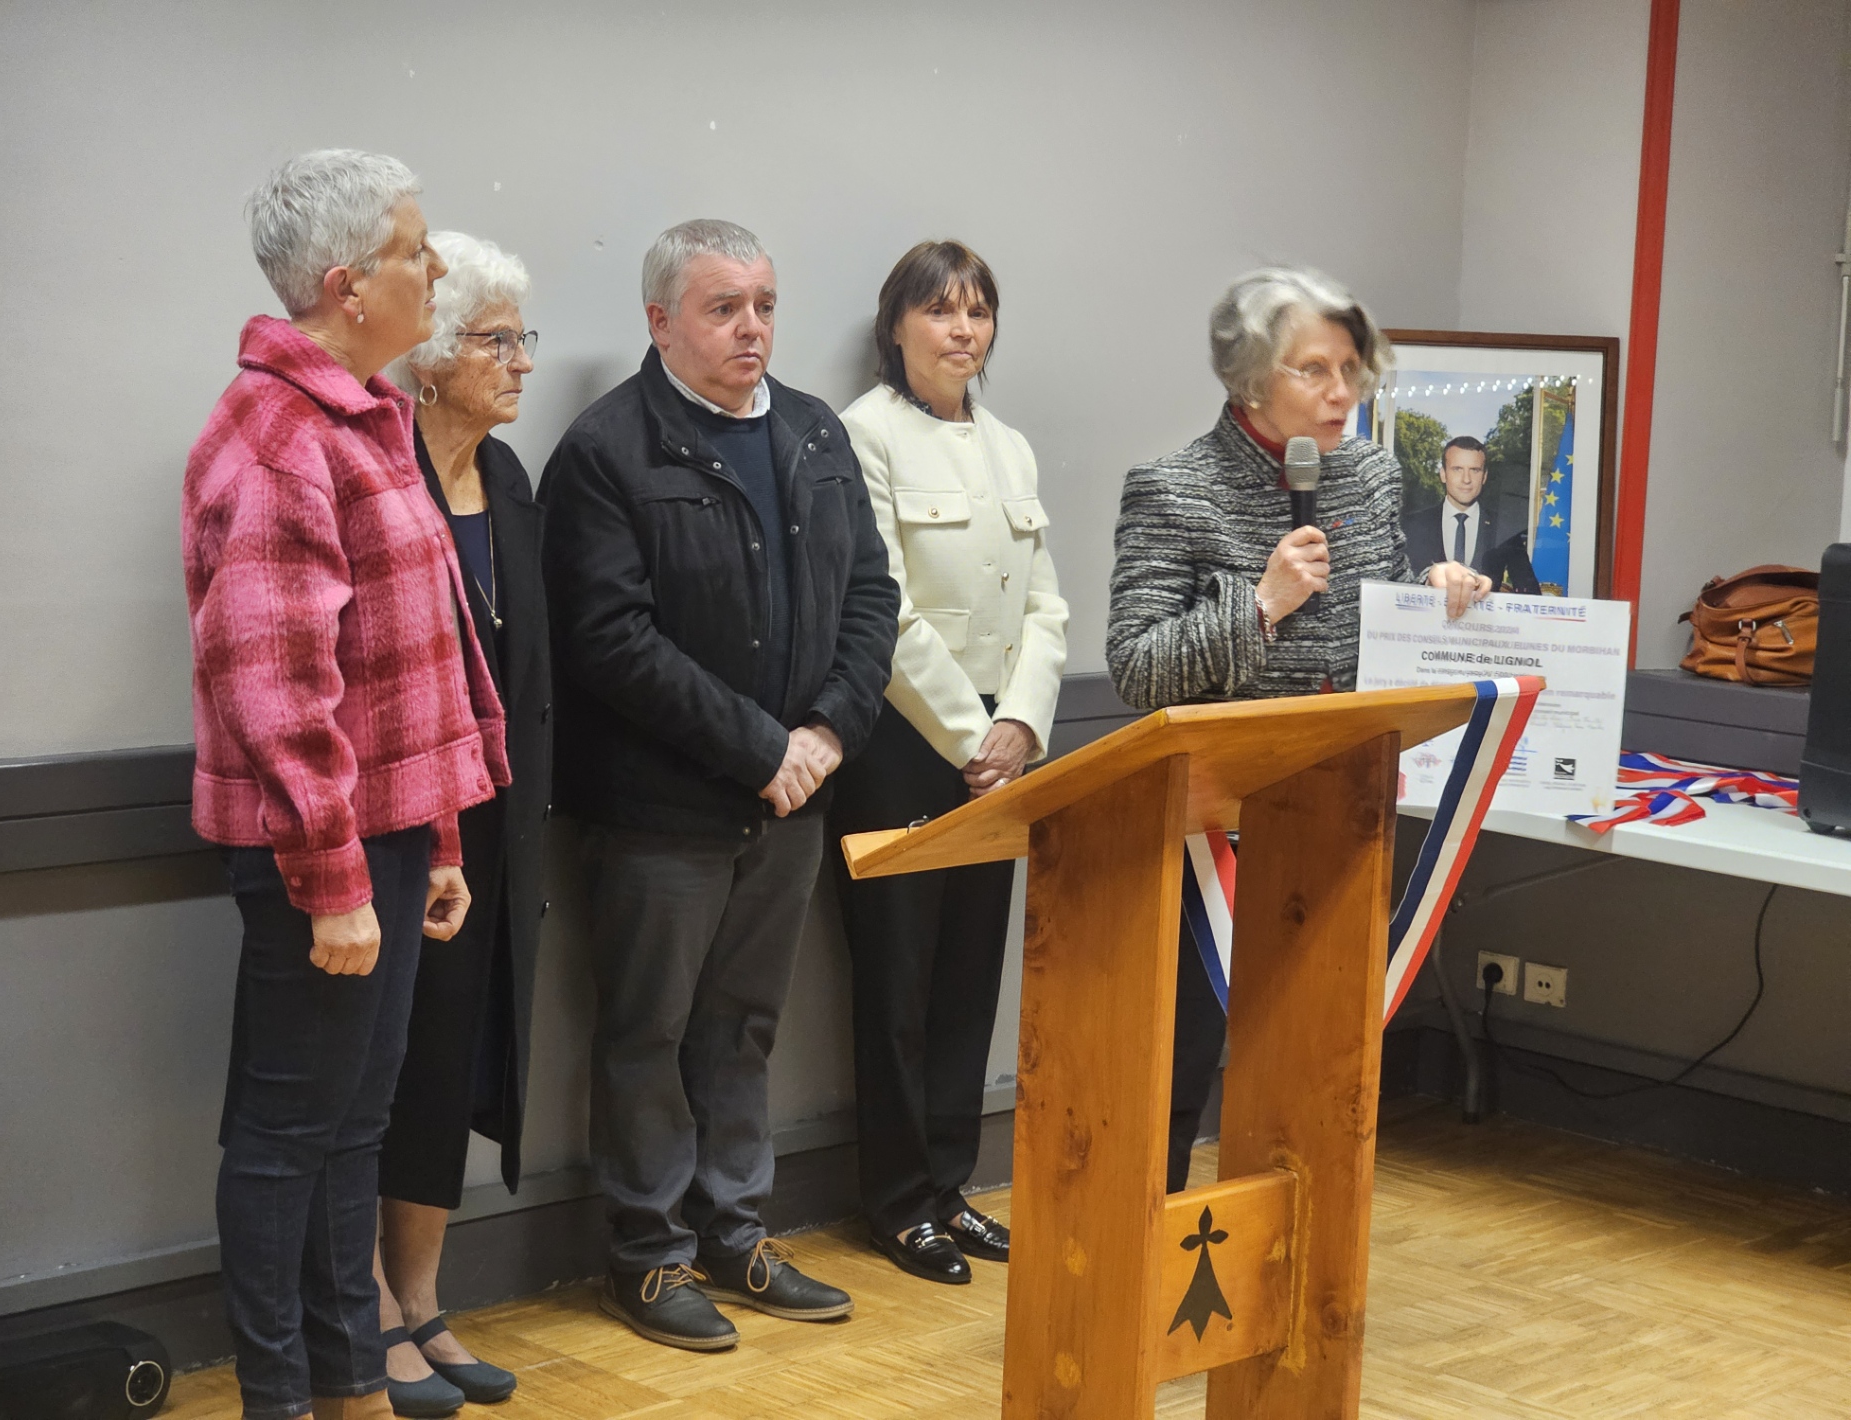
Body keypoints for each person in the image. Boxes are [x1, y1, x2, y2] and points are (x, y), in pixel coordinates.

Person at [184, 150, 509, 1420]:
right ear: (345, 284)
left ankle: (349, 1382)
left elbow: (406, 669)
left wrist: (432, 841)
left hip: (378, 839)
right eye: (414, 252)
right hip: (315, 850)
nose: (433, 269)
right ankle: (283, 1397)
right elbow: (278, 686)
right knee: (284, 1144)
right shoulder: (275, 434)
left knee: (349, 1135)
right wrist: (332, 878)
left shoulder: (362, 411)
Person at [540, 220, 899, 1351]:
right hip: (660, 810)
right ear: (659, 320)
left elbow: (872, 598)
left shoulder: (812, 430)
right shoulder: (606, 451)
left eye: (765, 304)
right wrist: (761, 746)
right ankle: (650, 1258)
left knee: (743, 1027)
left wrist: (829, 733)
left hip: (795, 798)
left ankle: (736, 1230)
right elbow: (610, 641)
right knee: (647, 1030)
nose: (753, 328)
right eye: (723, 307)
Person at [1103, 266, 1487, 1194]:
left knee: (1318, 1067)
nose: (1341, 393)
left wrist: (1431, 593)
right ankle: (1144, 1272)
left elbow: (1376, 620)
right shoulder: (1174, 488)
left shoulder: (1369, 472)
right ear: (1246, 378)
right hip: (1211, 836)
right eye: (1312, 370)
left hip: (1338, 811)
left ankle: (1290, 1273)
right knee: (1178, 1073)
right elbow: (1136, 667)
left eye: (1350, 368)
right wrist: (1260, 607)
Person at [828, 242, 1068, 1284]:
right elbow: (881, 605)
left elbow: (1048, 607)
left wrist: (1019, 722)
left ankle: (948, 1184)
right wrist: (972, 737)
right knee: (897, 983)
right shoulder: (863, 435)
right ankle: (894, 1201)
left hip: (1000, 750)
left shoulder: (1012, 447)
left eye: (978, 312)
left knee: (971, 975)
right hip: (902, 747)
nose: (962, 331)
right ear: (898, 327)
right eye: (940, 312)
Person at [368, 233, 550, 1418]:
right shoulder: (385, 470)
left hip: (497, 822)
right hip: (400, 825)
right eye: (498, 340)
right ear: (431, 362)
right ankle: (368, 1316)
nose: (522, 361)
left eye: (521, 338)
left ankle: (424, 1302)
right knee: (387, 1067)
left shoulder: (514, 480)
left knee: (456, 1062)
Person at [1403, 435, 1538, 592]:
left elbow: (1530, 593)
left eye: (1474, 470)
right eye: (1457, 469)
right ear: (1443, 474)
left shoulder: (1503, 529)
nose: (1466, 479)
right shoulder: (1412, 526)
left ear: (1484, 476)